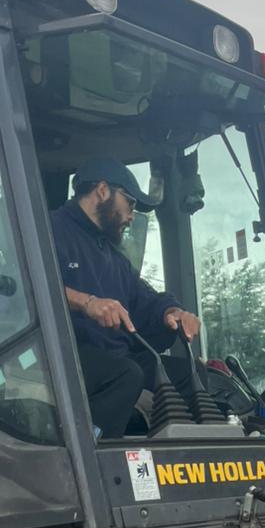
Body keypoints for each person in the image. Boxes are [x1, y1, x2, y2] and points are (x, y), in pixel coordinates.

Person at [50, 157, 201, 438]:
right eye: (130, 204)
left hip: (116, 360)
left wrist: (172, 313)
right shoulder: (48, 230)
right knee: (126, 374)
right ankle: (87, 451)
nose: (131, 217)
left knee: (190, 374)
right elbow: (23, 286)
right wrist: (87, 303)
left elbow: (145, 299)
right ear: (102, 191)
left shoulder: (114, 258)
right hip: (59, 356)